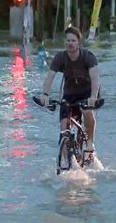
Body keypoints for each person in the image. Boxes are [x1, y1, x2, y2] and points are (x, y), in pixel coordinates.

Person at [39, 26, 100, 156]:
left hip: (87, 93)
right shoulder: (60, 57)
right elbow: (50, 77)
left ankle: (90, 142)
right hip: (69, 95)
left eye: (73, 40)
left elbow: (95, 79)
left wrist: (93, 97)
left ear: (79, 43)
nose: (70, 43)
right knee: (64, 128)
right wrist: (45, 94)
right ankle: (65, 163)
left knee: (87, 111)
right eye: (67, 41)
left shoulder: (88, 57)